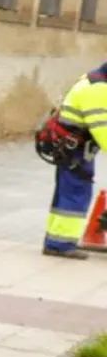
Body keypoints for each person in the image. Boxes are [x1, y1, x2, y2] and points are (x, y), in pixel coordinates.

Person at [40, 61, 107, 258]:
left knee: (66, 193)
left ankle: (55, 242)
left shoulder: (94, 80)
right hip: (74, 151)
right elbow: (103, 130)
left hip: (72, 148)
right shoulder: (98, 90)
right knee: (76, 193)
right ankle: (60, 245)